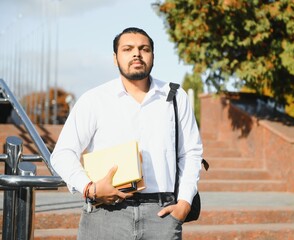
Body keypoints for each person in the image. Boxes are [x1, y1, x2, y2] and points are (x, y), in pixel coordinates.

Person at [50, 27, 203, 239]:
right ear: (115, 58)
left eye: (144, 49)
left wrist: (185, 203)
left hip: (161, 214)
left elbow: (191, 153)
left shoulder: (175, 96)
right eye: (127, 49)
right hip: (105, 213)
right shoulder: (95, 99)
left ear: (153, 56)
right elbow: (62, 153)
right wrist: (89, 188)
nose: (136, 54)